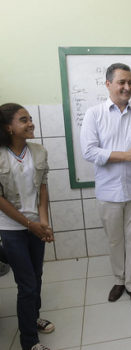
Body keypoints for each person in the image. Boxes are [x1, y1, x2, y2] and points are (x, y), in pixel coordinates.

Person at [80, 63, 131, 308]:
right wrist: (126, 155)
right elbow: (89, 151)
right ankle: (118, 280)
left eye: (130, 82)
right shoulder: (94, 114)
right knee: (115, 240)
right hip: (108, 190)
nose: (127, 87)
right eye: (122, 82)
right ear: (108, 84)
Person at [0, 103, 55, 350]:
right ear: (8, 128)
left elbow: (42, 188)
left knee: (37, 275)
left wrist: (43, 222)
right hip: (11, 228)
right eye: (23, 120)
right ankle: (29, 342)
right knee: (27, 284)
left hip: (35, 225)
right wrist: (30, 224)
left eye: (30, 118)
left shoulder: (39, 151)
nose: (30, 123)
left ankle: (32, 319)